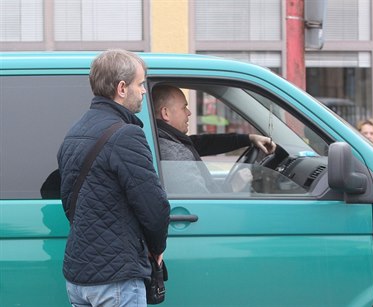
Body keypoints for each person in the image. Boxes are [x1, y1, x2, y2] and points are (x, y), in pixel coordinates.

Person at [57, 49, 170, 307]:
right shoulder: (126, 135)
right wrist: (157, 248)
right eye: (140, 84)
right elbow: (154, 206)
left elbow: (68, 201)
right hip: (116, 280)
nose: (143, 91)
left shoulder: (75, 132)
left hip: (79, 277)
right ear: (121, 88)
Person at [151, 84, 276, 194]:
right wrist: (233, 187)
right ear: (165, 113)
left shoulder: (167, 139)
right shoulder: (174, 154)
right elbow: (202, 207)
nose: (189, 113)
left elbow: (203, 143)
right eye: (184, 107)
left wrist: (248, 139)